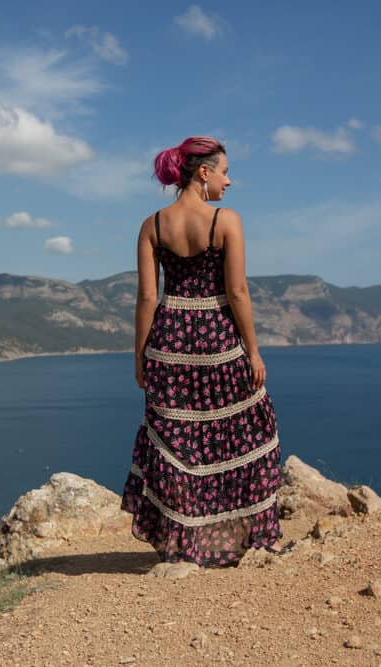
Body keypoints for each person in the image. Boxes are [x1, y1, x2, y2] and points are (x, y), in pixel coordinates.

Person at [120, 136, 286, 567]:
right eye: (225, 172)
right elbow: (236, 291)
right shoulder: (225, 221)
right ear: (204, 172)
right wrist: (253, 351)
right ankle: (234, 536)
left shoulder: (152, 225)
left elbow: (145, 298)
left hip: (169, 341)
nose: (229, 182)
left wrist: (140, 356)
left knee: (179, 443)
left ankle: (186, 543)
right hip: (216, 340)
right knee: (242, 433)